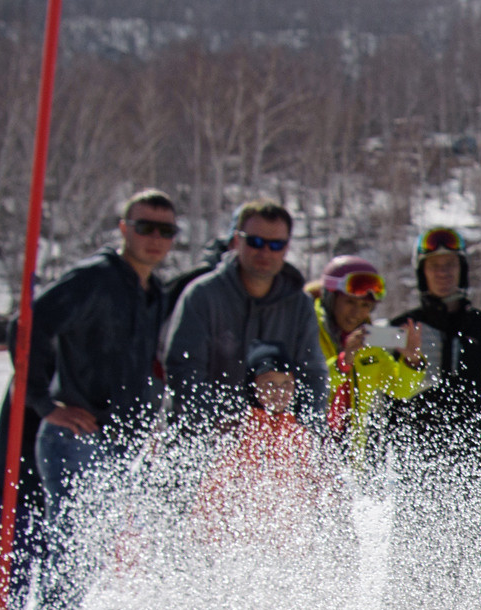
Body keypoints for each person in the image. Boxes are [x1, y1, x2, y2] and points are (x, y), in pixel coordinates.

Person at [11, 190, 177, 610]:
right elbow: (29, 325)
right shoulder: (95, 278)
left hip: (118, 444)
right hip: (76, 436)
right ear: (123, 227)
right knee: (67, 565)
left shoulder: (152, 292)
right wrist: (44, 401)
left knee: (82, 569)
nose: (155, 239)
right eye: (145, 226)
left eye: (165, 231)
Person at [384, 227, 481, 610]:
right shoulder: (398, 327)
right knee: (416, 555)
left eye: (449, 265)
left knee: (472, 555)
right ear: (422, 272)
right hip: (422, 459)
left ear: (461, 269)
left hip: (476, 460)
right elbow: (380, 395)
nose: (442, 273)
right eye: (434, 266)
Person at [161, 200, 329, 452]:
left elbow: (312, 376)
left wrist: (304, 432)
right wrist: (224, 424)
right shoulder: (202, 295)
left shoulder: (300, 305)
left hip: (275, 447)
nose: (265, 252)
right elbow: (184, 373)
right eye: (255, 242)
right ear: (236, 241)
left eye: (276, 245)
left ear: (286, 248)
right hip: (200, 443)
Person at [191, 341, 350, 554]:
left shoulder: (299, 434)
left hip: (289, 546)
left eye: (286, 384)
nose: (279, 392)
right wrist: (213, 543)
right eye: (269, 384)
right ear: (252, 385)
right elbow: (213, 494)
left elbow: (321, 488)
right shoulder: (238, 431)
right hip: (241, 545)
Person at [310, 256, 429, 471]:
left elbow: (400, 389)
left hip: (348, 463)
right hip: (307, 454)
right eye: (349, 302)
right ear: (330, 298)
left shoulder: (369, 342)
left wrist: (411, 360)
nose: (357, 313)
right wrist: (343, 361)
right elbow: (307, 387)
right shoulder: (306, 329)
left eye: (365, 305)